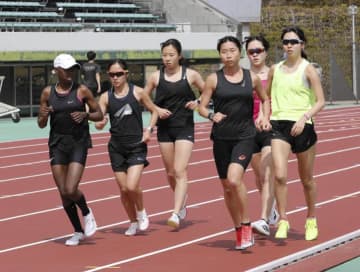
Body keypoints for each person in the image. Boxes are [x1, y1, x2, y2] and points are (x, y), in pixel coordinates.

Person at [198, 36, 271, 250]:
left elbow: (265, 99)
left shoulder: (251, 78)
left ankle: (247, 225)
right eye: (223, 51)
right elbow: (201, 107)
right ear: (219, 54)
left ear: (239, 53)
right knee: (227, 188)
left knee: (233, 179)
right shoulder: (213, 79)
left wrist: (263, 117)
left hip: (245, 136)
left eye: (232, 50)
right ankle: (238, 229)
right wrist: (211, 115)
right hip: (221, 138)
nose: (228, 55)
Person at [37, 53, 103, 246]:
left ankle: (87, 212)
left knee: (70, 188)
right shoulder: (47, 93)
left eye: (73, 69)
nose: (70, 73)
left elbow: (99, 114)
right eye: (66, 70)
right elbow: (41, 124)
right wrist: (43, 115)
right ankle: (77, 231)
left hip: (78, 142)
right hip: (57, 144)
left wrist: (86, 115)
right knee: (63, 192)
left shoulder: (82, 90)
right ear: (57, 70)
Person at [266, 26, 325, 240]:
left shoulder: (308, 69)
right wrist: (264, 115)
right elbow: (265, 97)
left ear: (302, 44)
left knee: (306, 179)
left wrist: (304, 118)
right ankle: (283, 219)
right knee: (280, 175)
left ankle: (311, 218)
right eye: (285, 42)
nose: (288, 45)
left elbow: (321, 101)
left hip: (303, 126)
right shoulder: (275, 69)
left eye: (293, 41)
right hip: (279, 125)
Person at [144, 38, 205, 228]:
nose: (167, 59)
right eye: (164, 55)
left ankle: (176, 212)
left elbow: (209, 91)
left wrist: (198, 101)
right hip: (165, 129)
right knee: (170, 173)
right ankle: (182, 197)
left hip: (184, 127)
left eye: (171, 55)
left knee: (180, 170)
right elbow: (143, 97)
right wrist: (156, 109)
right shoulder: (155, 77)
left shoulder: (191, 75)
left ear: (179, 56)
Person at [95, 59, 158, 236]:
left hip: (136, 146)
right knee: (123, 190)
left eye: (119, 74)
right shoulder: (106, 97)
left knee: (132, 186)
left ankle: (141, 211)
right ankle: (132, 221)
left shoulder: (137, 92)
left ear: (126, 74)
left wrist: (149, 130)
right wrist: (100, 123)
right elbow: (99, 120)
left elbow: (154, 111)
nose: (115, 78)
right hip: (116, 147)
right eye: (112, 75)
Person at [245, 35, 279, 236]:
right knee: (258, 177)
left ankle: (264, 219)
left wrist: (266, 116)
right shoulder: (244, 76)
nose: (255, 54)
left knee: (268, 175)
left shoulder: (275, 73)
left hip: (271, 127)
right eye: (251, 51)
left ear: (265, 52)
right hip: (249, 129)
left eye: (258, 50)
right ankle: (271, 209)